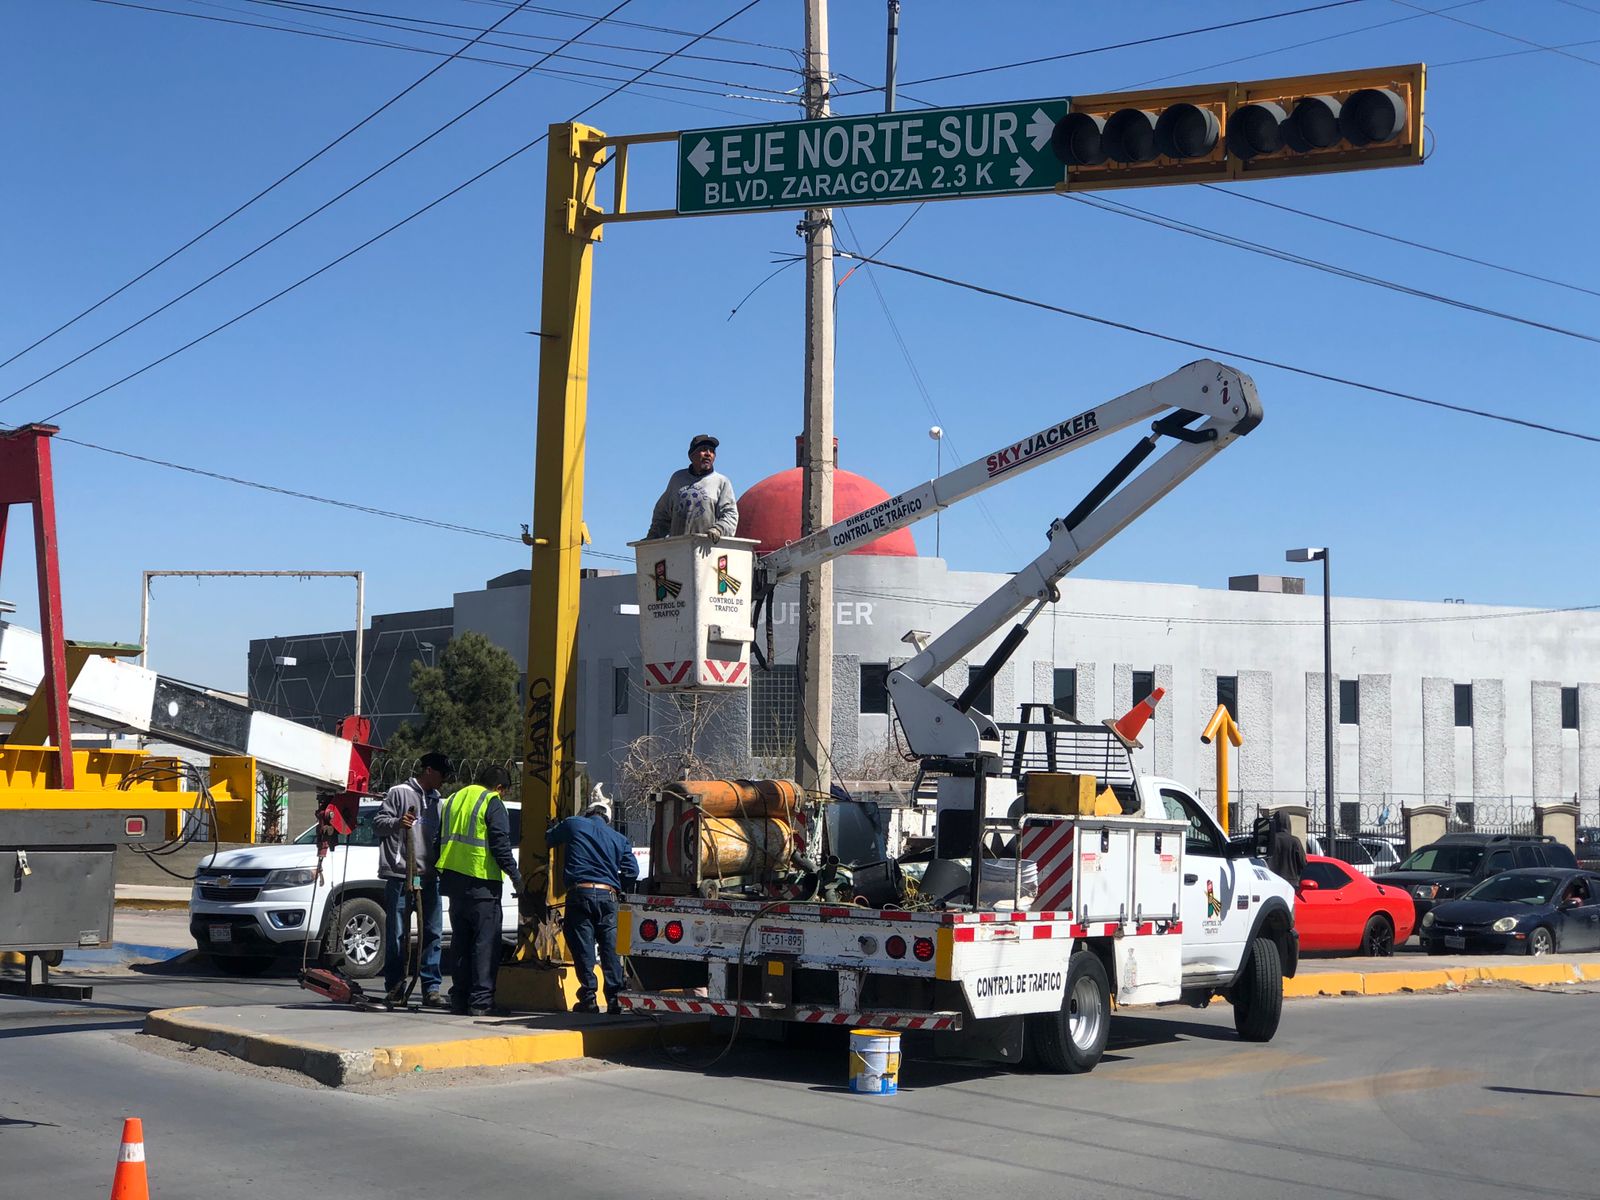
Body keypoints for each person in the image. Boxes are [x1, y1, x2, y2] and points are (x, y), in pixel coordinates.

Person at [433, 764, 524, 1016]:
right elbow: (499, 842)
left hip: (454, 883)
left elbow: (437, 838)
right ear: (499, 788)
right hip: (481, 883)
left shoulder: (453, 799)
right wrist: (516, 877)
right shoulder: (492, 801)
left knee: (461, 943)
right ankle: (481, 1002)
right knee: (486, 944)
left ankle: (460, 999)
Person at [547, 795, 639, 1015]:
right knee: (610, 949)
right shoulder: (618, 838)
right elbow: (632, 872)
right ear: (607, 818)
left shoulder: (574, 824)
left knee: (584, 947)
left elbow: (549, 838)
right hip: (608, 897)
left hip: (580, 894)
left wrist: (553, 827)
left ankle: (589, 998)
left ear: (588, 813)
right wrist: (618, 887)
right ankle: (615, 999)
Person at [372, 751, 449, 1006]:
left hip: (428, 877)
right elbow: (378, 824)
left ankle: (431, 988)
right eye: (442, 774)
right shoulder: (399, 793)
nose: (444, 780)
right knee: (397, 934)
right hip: (400, 874)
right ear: (428, 770)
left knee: (432, 933)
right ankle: (395, 986)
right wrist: (398, 822)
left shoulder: (438, 801)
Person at [646, 434, 739, 541]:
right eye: (704, 450)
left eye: (712, 451)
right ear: (691, 455)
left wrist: (718, 529)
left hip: (708, 548)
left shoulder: (721, 482)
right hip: (678, 548)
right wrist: (652, 538)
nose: (708, 454)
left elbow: (730, 515)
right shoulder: (678, 479)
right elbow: (662, 514)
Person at [1266, 810, 1306, 891]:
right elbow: (1303, 863)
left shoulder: (1268, 840)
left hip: (1271, 882)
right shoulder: (1295, 841)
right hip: (1291, 884)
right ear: (1288, 823)